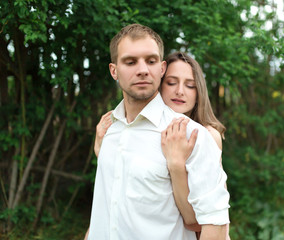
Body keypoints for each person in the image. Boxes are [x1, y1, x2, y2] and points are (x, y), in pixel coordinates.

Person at [86, 24, 230, 240]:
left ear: (161, 69)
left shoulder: (195, 136)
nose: (142, 69)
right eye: (130, 61)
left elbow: (215, 228)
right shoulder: (109, 130)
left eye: (151, 61)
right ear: (114, 71)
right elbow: (106, 208)